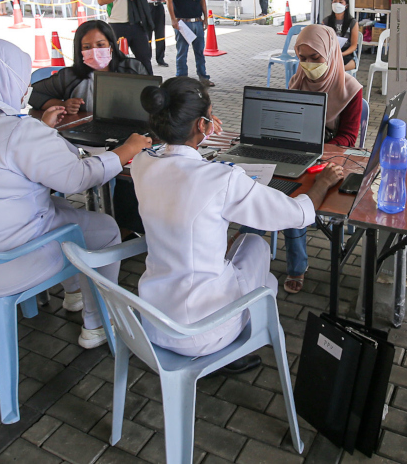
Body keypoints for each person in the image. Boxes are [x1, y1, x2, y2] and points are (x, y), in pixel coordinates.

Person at [0, 38, 152, 348]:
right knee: (105, 228)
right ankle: (97, 322)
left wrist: (42, 129)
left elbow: (3, 159)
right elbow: (78, 178)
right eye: (21, 77)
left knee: (60, 209)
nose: (25, 87)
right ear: (3, 77)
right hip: (1, 263)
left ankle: (74, 293)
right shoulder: (16, 130)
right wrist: (127, 150)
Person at [132, 77, 344, 368]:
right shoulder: (221, 179)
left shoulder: (142, 163)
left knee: (250, 260)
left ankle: (243, 330)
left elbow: (181, 172)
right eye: (210, 116)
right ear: (201, 125)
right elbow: (298, 214)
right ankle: (238, 345)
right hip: (201, 331)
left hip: (154, 322)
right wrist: (322, 183)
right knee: (256, 246)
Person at [240, 25, 363, 294]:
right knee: (261, 191)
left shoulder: (350, 89)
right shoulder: (298, 80)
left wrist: (316, 149)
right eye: (302, 58)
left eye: (315, 58)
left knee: (291, 197)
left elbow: (349, 138)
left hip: (327, 161)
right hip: (294, 155)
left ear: (330, 54)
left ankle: (295, 265)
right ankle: (243, 249)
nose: (308, 65)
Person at [30, 20, 148, 114]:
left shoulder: (133, 68)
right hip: (86, 130)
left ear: (111, 46)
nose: (95, 51)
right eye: (87, 47)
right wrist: (63, 104)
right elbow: (32, 94)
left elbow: (151, 100)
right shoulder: (69, 76)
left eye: (100, 45)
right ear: (80, 50)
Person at [165, 0, 213, 87]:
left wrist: (205, 18)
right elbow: (169, 1)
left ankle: (203, 77)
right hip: (182, 23)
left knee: (200, 52)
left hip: (197, 21)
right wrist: (173, 19)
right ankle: (181, 79)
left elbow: (202, 0)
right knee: (182, 52)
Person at [139, 0, 168, 68]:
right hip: (148, 7)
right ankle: (147, 58)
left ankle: (160, 58)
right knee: (147, 34)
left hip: (158, 6)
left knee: (160, 33)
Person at [323, 0, 359, 71]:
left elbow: (353, 46)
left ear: (346, 6)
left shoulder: (352, 22)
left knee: (335, 69)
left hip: (346, 53)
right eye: (334, 1)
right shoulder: (326, 21)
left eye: (340, 2)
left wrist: (341, 54)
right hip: (330, 53)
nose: (337, 4)